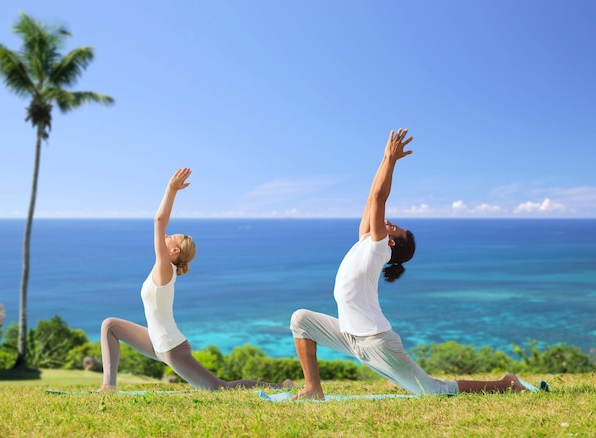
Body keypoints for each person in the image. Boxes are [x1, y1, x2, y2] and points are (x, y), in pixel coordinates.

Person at [289, 129, 526, 400]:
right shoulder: (366, 240)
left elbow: (380, 198)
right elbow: (371, 198)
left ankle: (507, 384)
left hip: (377, 343)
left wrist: (392, 161)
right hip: (350, 336)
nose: (389, 222)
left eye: (395, 228)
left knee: (434, 391)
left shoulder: (378, 249)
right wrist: (384, 157)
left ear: (391, 244)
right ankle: (312, 389)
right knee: (301, 320)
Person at [98, 168, 293, 392]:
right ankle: (108, 387)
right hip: (154, 341)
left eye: (172, 237)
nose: (167, 235)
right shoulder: (162, 267)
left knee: (220, 389)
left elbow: (159, 220)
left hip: (172, 347)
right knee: (110, 325)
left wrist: (171, 189)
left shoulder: (165, 268)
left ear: (173, 252)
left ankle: (280, 386)